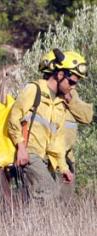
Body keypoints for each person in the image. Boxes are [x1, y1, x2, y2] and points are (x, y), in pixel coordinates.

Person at [8, 50, 87, 205]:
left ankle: (32, 228)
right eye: (71, 82)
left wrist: (63, 168)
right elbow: (13, 117)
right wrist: (21, 147)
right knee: (48, 191)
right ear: (59, 75)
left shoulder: (59, 102)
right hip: (30, 153)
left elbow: (55, 142)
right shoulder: (34, 89)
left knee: (46, 198)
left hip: (45, 158)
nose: (73, 87)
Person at [39, 50, 93, 203]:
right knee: (44, 201)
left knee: (65, 204)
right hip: (45, 158)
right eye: (72, 81)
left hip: (66, 159)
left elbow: (87, 116)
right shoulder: (39, 93)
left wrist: (69, 98)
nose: (73, 85)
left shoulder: (70, 94)